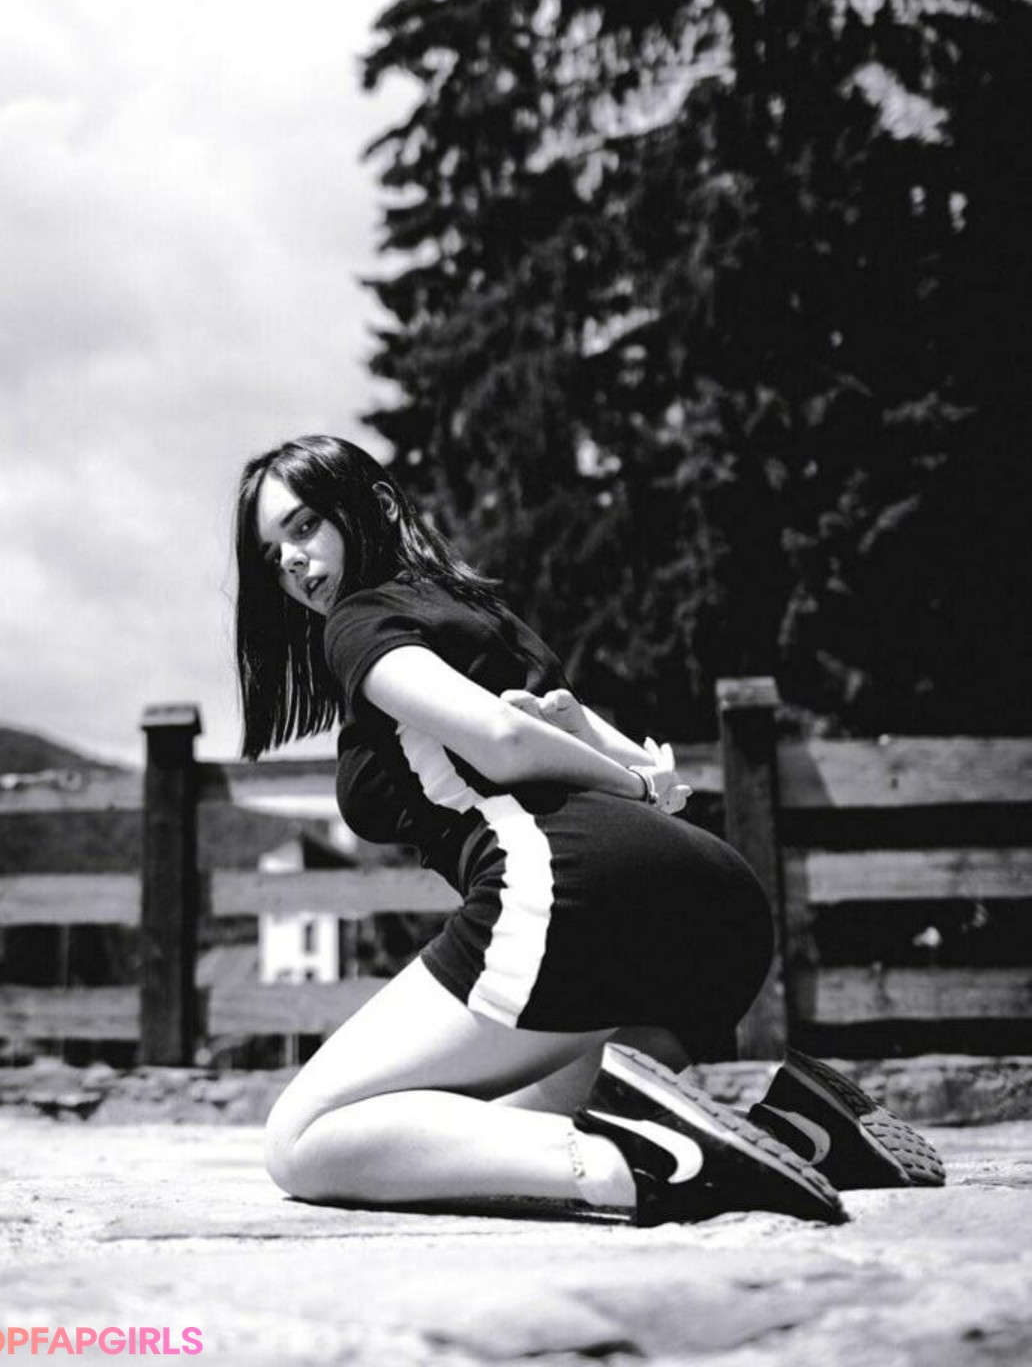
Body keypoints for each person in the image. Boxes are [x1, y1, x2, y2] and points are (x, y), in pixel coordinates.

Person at [234, 434, 943, 1227]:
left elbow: (506, 742)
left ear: (375, 507)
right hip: (716, 912)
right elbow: (645, 769)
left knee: (303, 1140)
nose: (290, 561)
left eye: (304, 526)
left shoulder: (359, 620)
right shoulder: (480, 614)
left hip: (569, 887)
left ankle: (649, 1161)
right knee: (495, 1132)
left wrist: (626, 783)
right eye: (271, 554)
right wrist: (632, 779)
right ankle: (805, 1131)